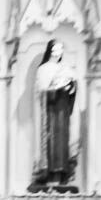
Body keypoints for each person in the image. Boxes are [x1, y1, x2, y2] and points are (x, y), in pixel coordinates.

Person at [31, 39, 78, 190]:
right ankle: (48, 173)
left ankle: (61, 173)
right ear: (50, 51)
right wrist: (55, 88)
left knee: (62, 141)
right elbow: (42, 92)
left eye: (61, 50)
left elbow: (73, 91)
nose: (59, 53)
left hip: (63, 110)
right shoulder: (43, 69)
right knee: (51, 142)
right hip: (50, 113)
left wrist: (70, 88)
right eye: (56, 49)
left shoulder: (65, 68)